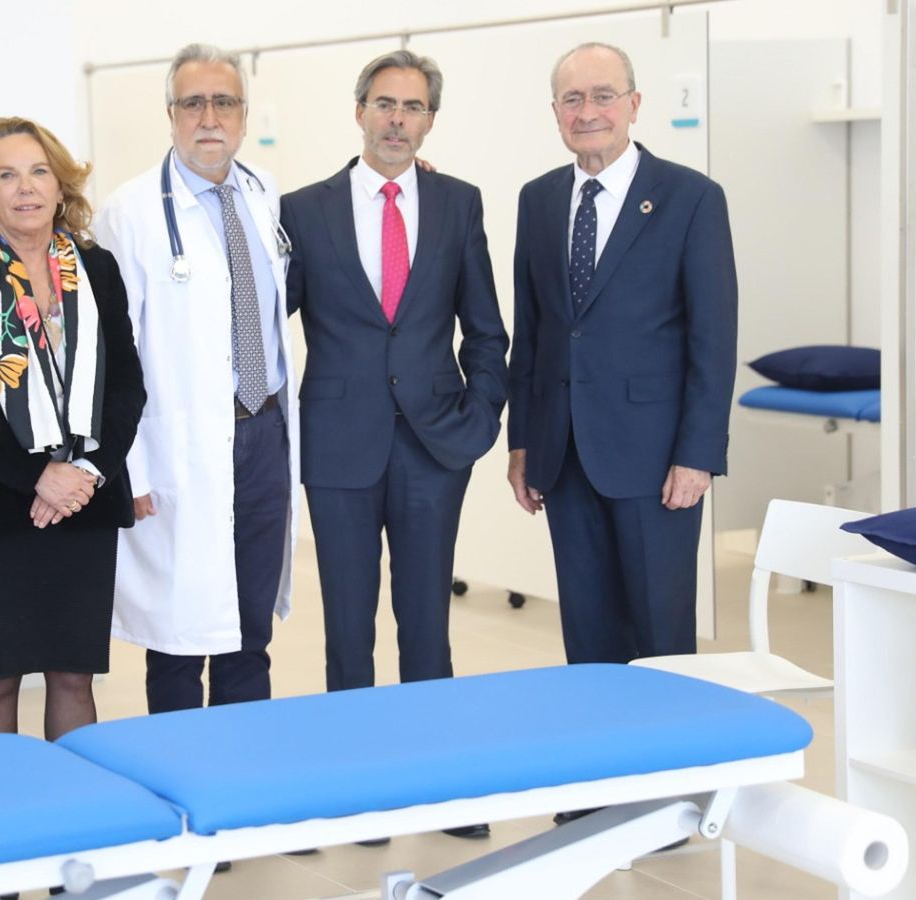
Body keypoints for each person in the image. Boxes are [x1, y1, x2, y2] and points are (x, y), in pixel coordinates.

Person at [507, 42, 738, 670]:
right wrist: (522, 442)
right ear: (555, 110)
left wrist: (698, 455)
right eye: (573, 99)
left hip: (656, 460)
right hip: (564, 453)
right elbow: (531, 333)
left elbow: (713, 342)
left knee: (661, 635)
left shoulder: (691, 198)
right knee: (588, 637)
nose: (588, 111)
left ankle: (676, 762)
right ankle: (601, 758)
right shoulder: (540, 199)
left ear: (634, 104)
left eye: (603, 95)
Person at [282, 50, 507, 693]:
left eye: (413, 107)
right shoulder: (302, 210)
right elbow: (270, 324)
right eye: (385, 103)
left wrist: (481, 416)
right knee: (348, 630)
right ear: (359, 111)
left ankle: (430, 763)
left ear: (430, 120)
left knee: (428, 625)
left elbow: (486, 329)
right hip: (337, 443)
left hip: (436, 444)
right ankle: (355, 767)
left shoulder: (458, 203)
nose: (397, 119)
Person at [93, 43, 299, 716]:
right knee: (178, 634)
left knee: (250, 624)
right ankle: (180, 770)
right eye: (194, 103)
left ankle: (246, 773)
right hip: (178, 445)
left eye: (225, 102)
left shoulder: (263, 191)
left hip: (264, 431)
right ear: (171, 114)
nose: (210, 117)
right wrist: (135, 469)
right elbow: (112, 355)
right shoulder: (131, 213)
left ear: (243, 113)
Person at [0, 117, 145, 741]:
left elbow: (128, 386)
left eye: (39, 171)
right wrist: (36, 477)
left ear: (60, 185)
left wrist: (84, 474)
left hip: (85, 501)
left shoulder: (97, 268)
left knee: (74, 677)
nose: (26, 188)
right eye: (7, 174)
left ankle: (71, 814)